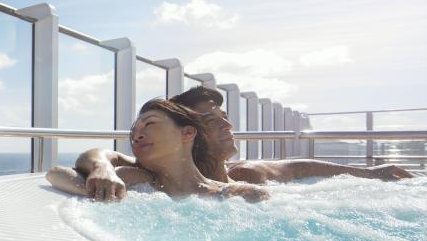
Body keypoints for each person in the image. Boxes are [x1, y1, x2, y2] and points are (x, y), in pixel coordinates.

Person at [47, 86, 413, 201]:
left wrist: (370, 173)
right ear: (190, 133)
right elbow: (98, 158)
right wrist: (101, 169)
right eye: (211, 121)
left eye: (224, 117)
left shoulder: (245, 176)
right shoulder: (150, 176)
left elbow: (300, 167)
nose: (227, 125)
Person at [114, 98, 266, 201]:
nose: (137, 136)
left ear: (188, 133)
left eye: (150, 124)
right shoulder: (124, 180)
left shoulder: (241, 195)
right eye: (133, 132)